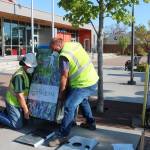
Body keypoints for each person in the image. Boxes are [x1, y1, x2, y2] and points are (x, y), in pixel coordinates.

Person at [48, 38, 99, 147]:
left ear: (57, 46)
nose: (54, 52)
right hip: (93, 80)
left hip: (83, 84)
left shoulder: (63, 56)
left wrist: (62, 94)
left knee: (69, 105)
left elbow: (64, 76)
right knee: (83, 100)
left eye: (54, 50)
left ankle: (62, 135)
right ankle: (91, 123)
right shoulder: (74, 44)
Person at [0, 53, 37, 129]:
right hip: (13, 102)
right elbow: (20, 96)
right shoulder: (19, 77)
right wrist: (26, 110)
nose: (32, 68)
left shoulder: (28, 73)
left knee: (27, 121)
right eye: (30, 66)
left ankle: (8, 112)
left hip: (20, 103)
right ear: (25, 64)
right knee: (17, 125)